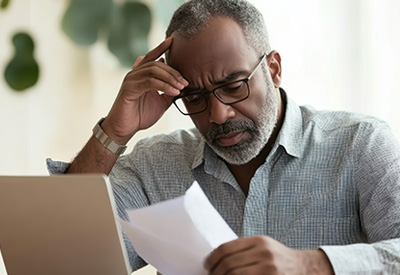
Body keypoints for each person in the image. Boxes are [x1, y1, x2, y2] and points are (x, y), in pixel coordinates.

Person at [48, 0, 400, 274]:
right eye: (195, 98)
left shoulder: (359, 145)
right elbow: (63, 258)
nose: (218, 114)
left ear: (273, 69)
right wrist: (114, 131)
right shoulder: (154, 167)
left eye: (233, 86)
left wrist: (310, 265)